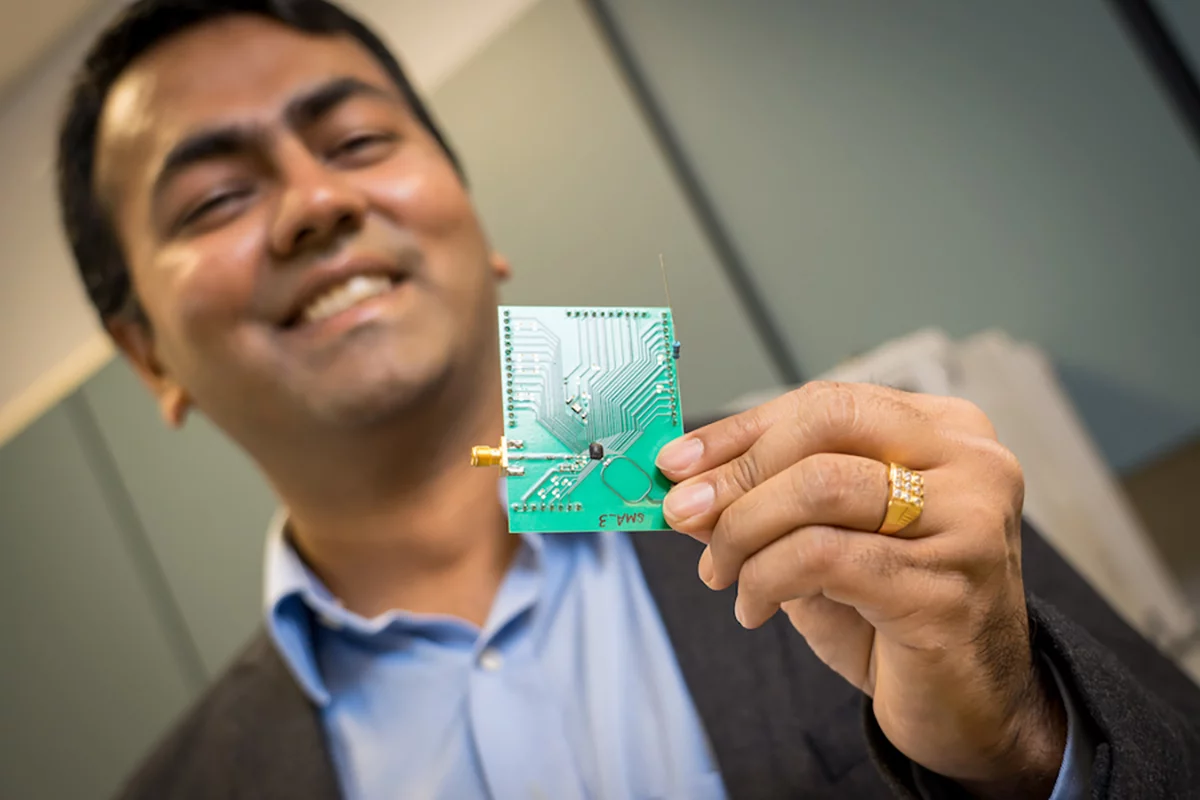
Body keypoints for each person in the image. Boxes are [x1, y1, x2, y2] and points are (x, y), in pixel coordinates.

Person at [56, 1, 1200, 797]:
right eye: (213, 199)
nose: (315, 202)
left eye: (356, 139)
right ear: (147, 355)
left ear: (474, 219)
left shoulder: (870, 513)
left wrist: (1017, 743)